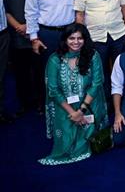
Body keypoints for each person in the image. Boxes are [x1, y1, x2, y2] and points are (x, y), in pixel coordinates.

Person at [38, 23, 108, 165]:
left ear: (85, 39)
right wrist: (73, 113)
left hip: (88, 103)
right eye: (72, 38)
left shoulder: (92, 56)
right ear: (65, 40)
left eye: (80, 38)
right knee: (66, 141)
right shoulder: (55, 59)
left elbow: (96, 84)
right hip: (64, 105)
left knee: (87, 135)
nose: (76, 42)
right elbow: (53, 90)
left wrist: (81, 111)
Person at [74, 0, 125, 98]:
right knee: (101, 70)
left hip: (118, 34)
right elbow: (79, 14)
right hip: (95, 37)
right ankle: (106, 101)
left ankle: (123, 97)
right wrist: (82, 38)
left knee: (121, 68)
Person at [3, 0, 39, 118]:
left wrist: (31, 26)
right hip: (18, 37)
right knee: (21, 73)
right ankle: (25, 103)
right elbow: (6, 11)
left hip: (40, 36)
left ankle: (41, 102)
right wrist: (19, 26)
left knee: (40, 72)